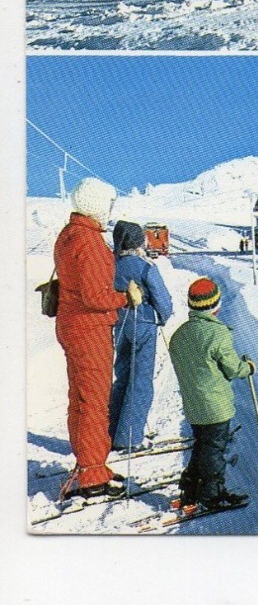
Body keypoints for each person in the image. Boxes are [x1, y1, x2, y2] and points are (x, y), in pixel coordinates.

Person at [54, 178, 141, 499]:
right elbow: (94, 296)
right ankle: (92, 475)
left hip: (72, 324)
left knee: (79, 398)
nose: (110, 211)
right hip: (89, 329)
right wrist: (125, 296)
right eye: (108, 204)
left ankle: (90, 464)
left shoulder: (68, 235)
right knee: (94, 402)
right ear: (96, 205)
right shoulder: (89, 242)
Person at [168, 277, 254, 511]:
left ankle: (190, 491)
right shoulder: (217, 334)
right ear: (215, 305)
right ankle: (211, 495)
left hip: (194, 406)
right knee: (214, 449)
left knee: (203, 445)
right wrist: (248, 367)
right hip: (215, 406)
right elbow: (233, 368)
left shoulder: (179, 334)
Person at [108, 220, 174, 453]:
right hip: (143, 323)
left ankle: (111, 430)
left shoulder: (111, 265)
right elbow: (162, 299)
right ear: (138, 241)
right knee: (141, 380)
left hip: (119, 324)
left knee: (123, 376)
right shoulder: (145, 266)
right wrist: (163, 316)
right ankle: (130, 437)